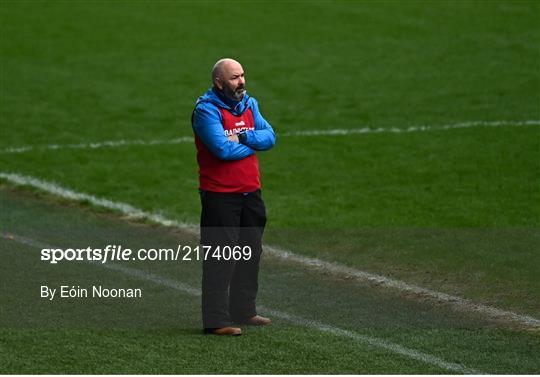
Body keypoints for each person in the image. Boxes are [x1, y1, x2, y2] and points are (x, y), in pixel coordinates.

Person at [191, 58, 276, 336]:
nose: (241, 82)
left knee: (250, 252)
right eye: (234, 78)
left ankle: (244, 310)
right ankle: (216, 320)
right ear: (219, 82)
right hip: (220, 197)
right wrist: (252, 144)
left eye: (242, 76)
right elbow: (221, 150)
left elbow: (271, 137)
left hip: (250, 193)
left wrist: (241, 139)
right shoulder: (206, 110)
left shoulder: (250, 104)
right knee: (221, 257)